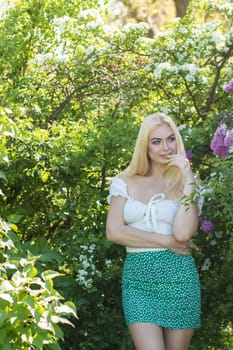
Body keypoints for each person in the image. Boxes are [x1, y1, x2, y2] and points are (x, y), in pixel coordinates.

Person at [106, 112, 202, 350]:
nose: (165, 147)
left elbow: (182, 234)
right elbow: (114, 231)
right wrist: (164, 241)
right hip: (139, 281)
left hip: (179, 278)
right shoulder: (125, 181)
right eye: (156, 141)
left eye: (170, 139)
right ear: (145, 145)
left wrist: (188, 178)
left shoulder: (186, 183)